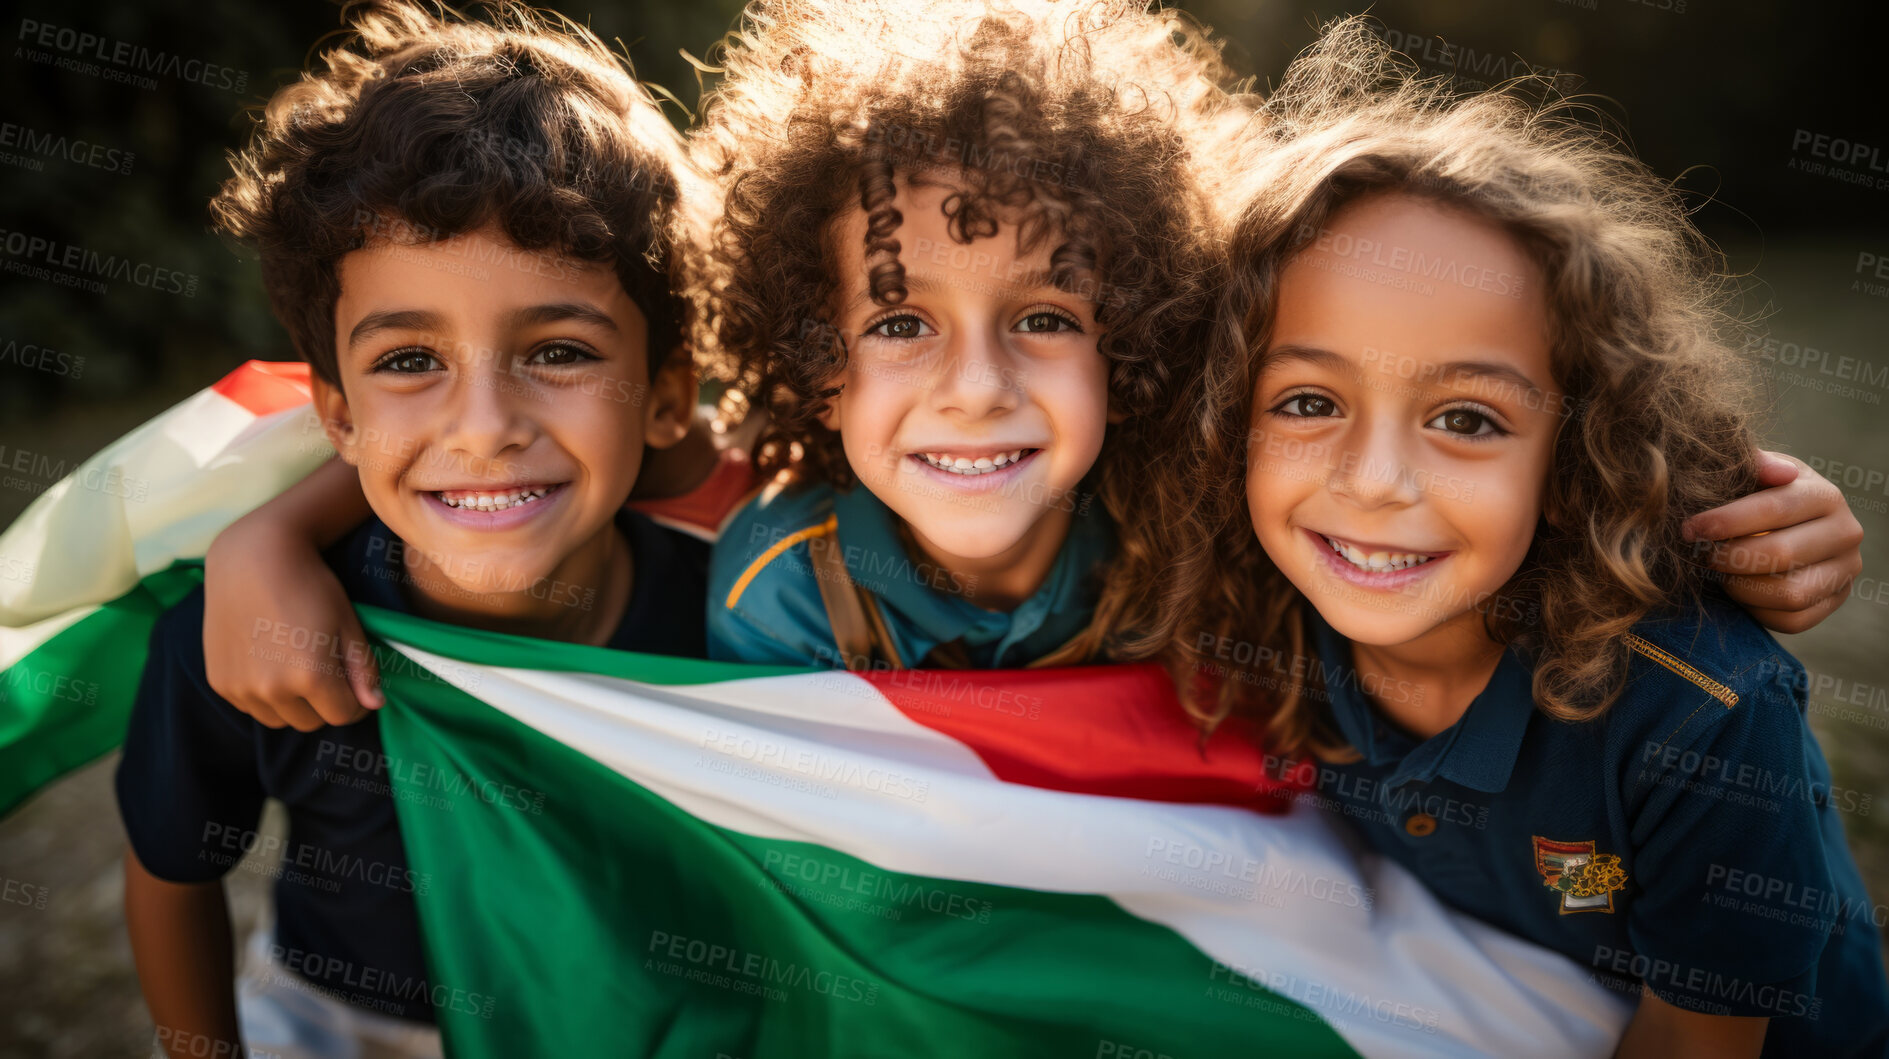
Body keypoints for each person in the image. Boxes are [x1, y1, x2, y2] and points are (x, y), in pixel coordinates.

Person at [1151, 21, 1886, 1056]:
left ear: (1575, 453)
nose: (1370, 483)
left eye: (1465, 419)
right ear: (1224, 420)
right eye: (1308, 400)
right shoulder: (1238, 604)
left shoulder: (1701, 718)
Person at [116, 3, 705, 1055]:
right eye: (407, 361)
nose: (483, 430)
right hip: (336, 1025)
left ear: (667, 395)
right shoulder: (244, 636)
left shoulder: (748, 615)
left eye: (561, 352)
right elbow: (172, 869)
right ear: (336, 415)